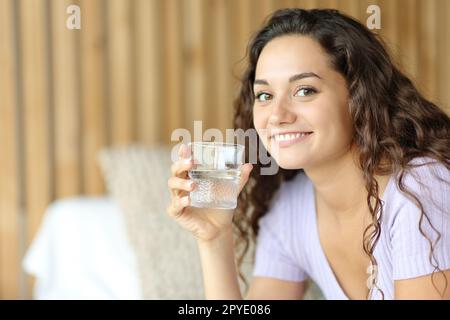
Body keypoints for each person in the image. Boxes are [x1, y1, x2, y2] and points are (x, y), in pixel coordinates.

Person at [167, 8, 450, 300]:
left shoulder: (420, 188)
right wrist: (214, 238)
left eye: (304, 90)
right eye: (265, 95)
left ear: (359, 95)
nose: (277, 115)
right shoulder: (289, 210)